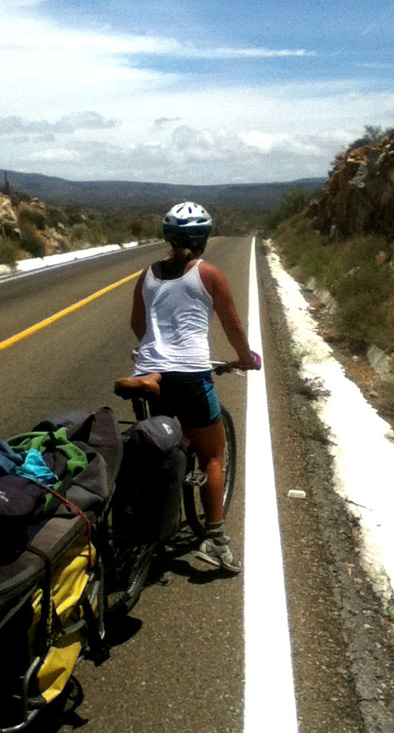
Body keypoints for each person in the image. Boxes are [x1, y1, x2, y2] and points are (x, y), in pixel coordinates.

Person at [130, 202, 260, 573]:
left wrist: (154, 349)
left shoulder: (148, 274)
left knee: (157, 446)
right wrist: (245, 358)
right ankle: (215, 540)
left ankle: (147, 522)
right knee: (212, 456)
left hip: (148, 373)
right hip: (189, 375)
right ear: (203, 239)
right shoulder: (209, 274)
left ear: (168, 239)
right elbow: (233, 325)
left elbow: (138, 324)